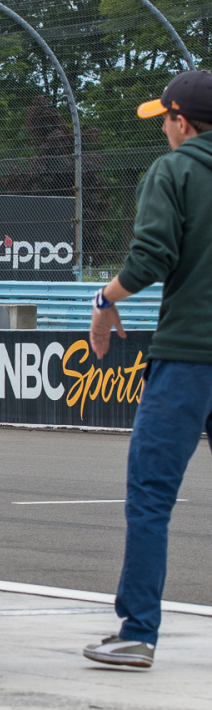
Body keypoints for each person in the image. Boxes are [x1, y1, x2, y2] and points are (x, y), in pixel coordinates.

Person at [84, 69, 212, 668]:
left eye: (164, 119)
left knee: (151, 495)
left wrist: (104, 300)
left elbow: (151, 258)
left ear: (182, 121)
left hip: (189, 355)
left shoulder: (174, 170)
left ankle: (138, 632)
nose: (163, 129)